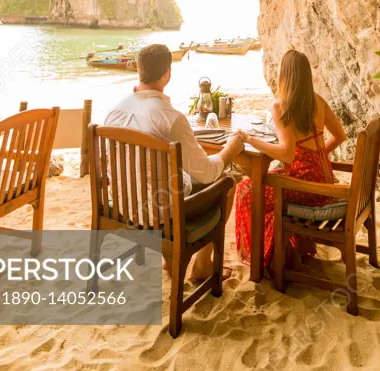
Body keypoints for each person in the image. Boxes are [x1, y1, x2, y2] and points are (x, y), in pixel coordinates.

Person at [104, 43, 244, 280]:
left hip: (118, 206)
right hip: (156, 217)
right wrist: (231, 148)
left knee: (177, 181)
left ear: (139, 70)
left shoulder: (114, 110)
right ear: (167, 73)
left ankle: (170, 262)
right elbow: (207, 173)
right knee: (227, 182)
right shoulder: (171, 119)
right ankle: (202, 265)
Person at [234, 48, 347, 268]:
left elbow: (286, 152)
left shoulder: (281, 107)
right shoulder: (318, 101)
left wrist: (251, 139)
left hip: (304, 185)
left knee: (246, 190)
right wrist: (320, 154)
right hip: (324, 180)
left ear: (284, 76)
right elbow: (340, 136)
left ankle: (268, 256)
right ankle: (282, 248)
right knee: (267, 183)